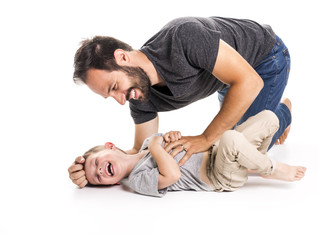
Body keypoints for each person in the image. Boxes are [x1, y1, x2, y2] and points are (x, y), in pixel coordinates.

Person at [69, 16, 292, 188]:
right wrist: (89, 169)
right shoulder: (139, 95)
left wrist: (205, 138)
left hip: (263, 61)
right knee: (230, 151)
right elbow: (139, 151)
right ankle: (258, 105)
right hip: (228, 80)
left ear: (123, 58)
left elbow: (249, 82)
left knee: (247, 150)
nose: (120, 100)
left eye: (114, 87)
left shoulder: (183, 37)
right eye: (111, 96)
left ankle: (284, 112)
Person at [72, 106, 306, 197]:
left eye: (95, 164)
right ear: (109, 184)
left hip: (217, 152)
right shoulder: (136, 179)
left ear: (109, 147)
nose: (100, 172)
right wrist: (156, 145)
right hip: (218, 174)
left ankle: (255, 162)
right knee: (231, 138)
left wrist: (173, 137)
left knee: (269, 118)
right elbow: (172, 175)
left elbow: (180, 146)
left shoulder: (146, 146)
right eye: (97, 178)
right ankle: (271, 168)